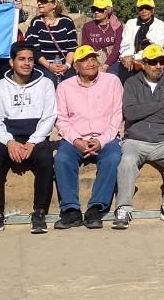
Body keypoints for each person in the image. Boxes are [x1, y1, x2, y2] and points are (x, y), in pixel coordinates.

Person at [0, 40, 58, 237]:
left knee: (46, 158)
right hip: (9, 138)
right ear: (11, 62)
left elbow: (49, 116)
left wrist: (33, 141)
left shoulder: (46, 84)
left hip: (36, 138)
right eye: (22, 59)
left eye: (31, 59)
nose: (27, 63)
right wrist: (9, 142)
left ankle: (39, 212)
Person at [115, 44, 164, 229]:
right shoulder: (131, 83)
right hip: (135, 139)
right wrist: (160, 105)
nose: (158, 66)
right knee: (127, 161)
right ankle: (123, 208)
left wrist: (145, 109)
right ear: (143, 63)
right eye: (153, 62)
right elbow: (130, 113)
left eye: (161, 62)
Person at [54, 46, 123, 230]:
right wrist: (76, 140)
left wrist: (102, 140)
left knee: (113, 158)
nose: (91, 63)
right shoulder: (64, 87)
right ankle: (71, 210)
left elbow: (117, 116)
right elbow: (61, 120)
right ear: (76, 65)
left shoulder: (112, 82)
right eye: (85, 60)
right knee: (62, 159)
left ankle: (96, 208)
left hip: (105, 137)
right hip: (75, 138)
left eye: (93, 59)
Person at [25, 0, 77, 82]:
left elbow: (72, 48)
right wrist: (49, 66)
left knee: (72, 81)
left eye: (43, 1)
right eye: (38, 1)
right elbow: (34, 49)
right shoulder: (36, 22)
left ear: (54, 4)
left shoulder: (67, 22)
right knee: (49, 80)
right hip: (43, 64)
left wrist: (66, 66)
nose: (39, 3)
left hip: (63, 64)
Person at [117, 0, 164, 82]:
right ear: (137, 10)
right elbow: (125, 44)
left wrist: (134, 57)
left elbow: (157, 47)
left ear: (152, 10)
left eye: (147, 8)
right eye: (141, 8)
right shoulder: (130, 23)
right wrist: (127, 57)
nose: (144, 11)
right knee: (125, 73)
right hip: (131, 60)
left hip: (153, 59)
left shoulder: (160, 25)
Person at [81, 0, 125, 72]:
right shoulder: (87, 27)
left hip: (113, 62)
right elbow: (86, 48)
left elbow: (117, 49)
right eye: (94, 9)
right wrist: (94, 64)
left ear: (108, 11)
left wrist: (105, 66)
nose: (96, 12)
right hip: (93, 60)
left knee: (112, 75)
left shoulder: (118, 27)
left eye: (100, 9)